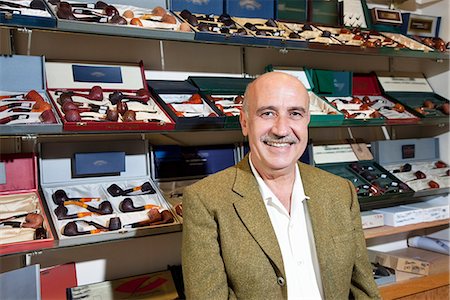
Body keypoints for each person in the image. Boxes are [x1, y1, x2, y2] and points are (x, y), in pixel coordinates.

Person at [182, 72, 380, 299]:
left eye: (295, 114)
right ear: (245, 122)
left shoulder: (340, 191)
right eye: (267, 113)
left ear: (307, 121)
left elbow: (364, 290)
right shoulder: (206, 200)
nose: (281, 129)